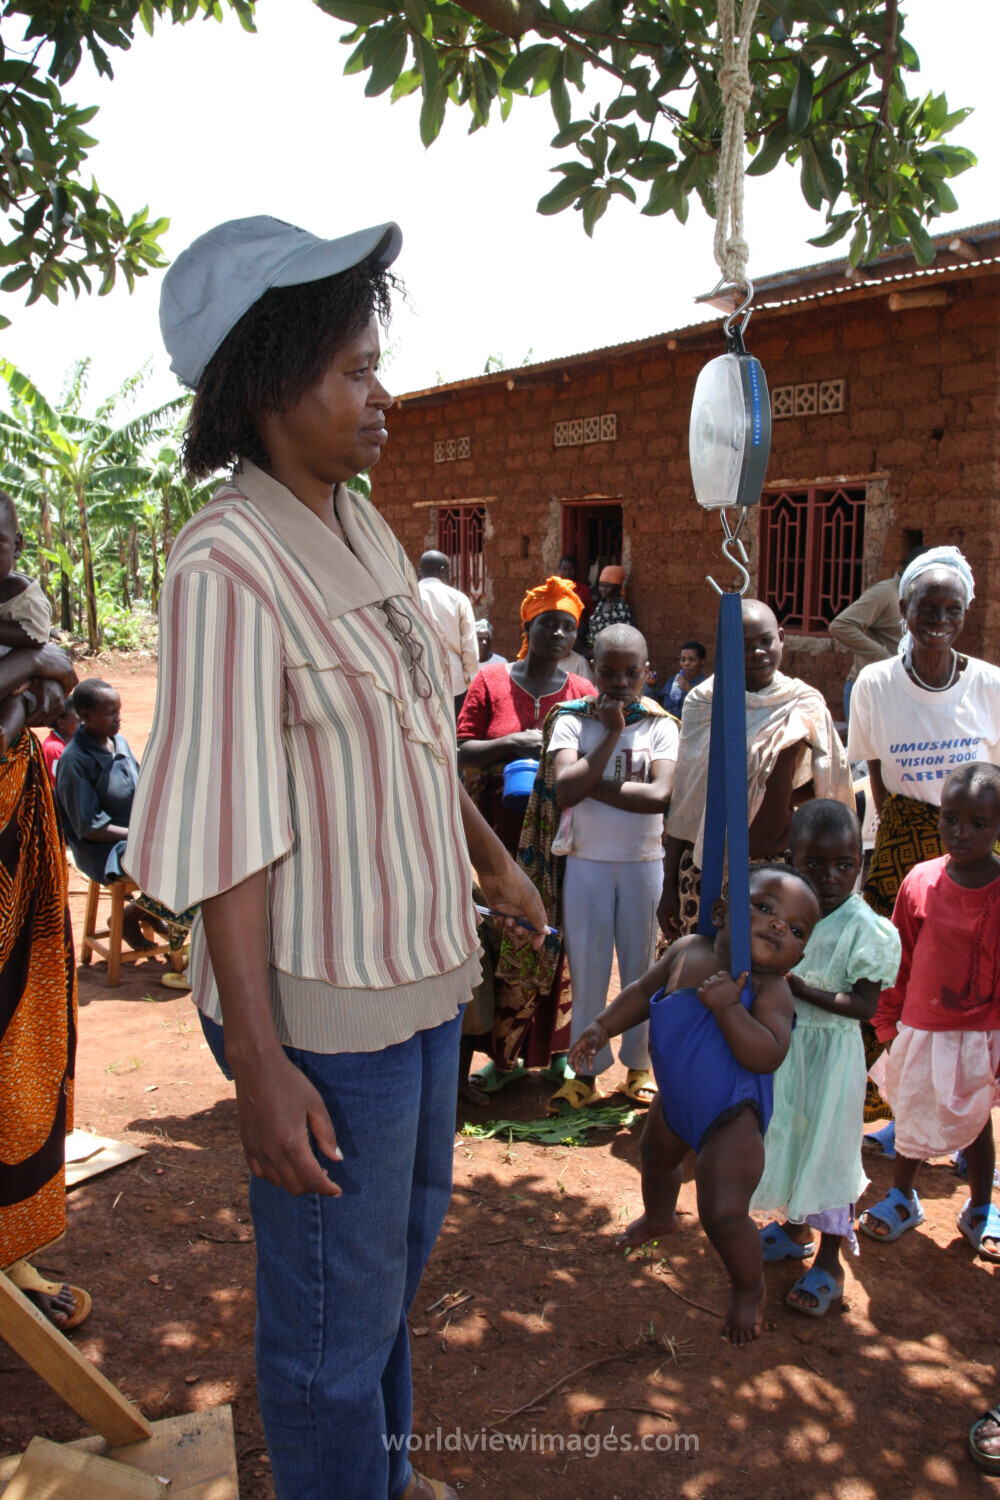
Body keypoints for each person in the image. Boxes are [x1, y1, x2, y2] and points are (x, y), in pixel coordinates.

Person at [125, 214, 546, 1500]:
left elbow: (415, 735)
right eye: (354, 370)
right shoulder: (227, 565)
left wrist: (490, 862)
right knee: (323, 1331)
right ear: (266, 385)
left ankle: (387, 1473)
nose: (383, 392)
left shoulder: (358, 525)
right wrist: (258, 1067)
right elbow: (227, 840)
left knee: (388, 1274)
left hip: (419, 980)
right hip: (322, 1019)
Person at [570, 864, 820, 1344]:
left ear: (797, 955)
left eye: (793, 929)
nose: (776, 926)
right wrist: (603, 1026)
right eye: (765, 908)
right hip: (676, 1100)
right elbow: (644, 992)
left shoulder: (771, 990)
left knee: (723, 1211)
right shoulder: (688, 951)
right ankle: (661, 1216)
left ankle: (749, 1288)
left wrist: (729, 1007)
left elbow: (768, 1055)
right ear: (723, 912)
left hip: (731, 1117)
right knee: (655, 1157)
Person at [848, 544, 1000, 1130]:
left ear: (965, 614)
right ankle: (897, 1111)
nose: (938, 618)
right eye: (926, 605)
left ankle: (967, 1120)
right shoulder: (876, 684)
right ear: (903, 606)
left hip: (977, 854)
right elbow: (877, 776)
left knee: (971, 981)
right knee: (896, 977)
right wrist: (899, 836)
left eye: (951, 607)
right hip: (903, 839)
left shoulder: (988, 684)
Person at [751, 801, 901, 1315]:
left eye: (844, 865)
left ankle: (831, 1262)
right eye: (814, 864)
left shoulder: (866, 928)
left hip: (833, 1057)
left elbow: (862, 1006)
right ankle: (794, 1231)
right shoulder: (786, 912)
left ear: (859, 862)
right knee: (788, 1134)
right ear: (792, 858)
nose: (830, 877)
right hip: (787, 1049)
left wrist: (796, 988)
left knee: (831, 1150)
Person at [456, 577, 592, 1093]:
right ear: (527, 627)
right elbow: (459, 749)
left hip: (562, 840)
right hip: (499, 837)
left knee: (557, 941)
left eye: (568, 626)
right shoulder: (490, 682)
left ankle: (555, 1055)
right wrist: (512, 744)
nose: (558, 633)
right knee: (505, 938)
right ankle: (504, 1059)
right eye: (548, 623)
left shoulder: (581, 692)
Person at [861, 764, 1000, 1258]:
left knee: (977, 1116)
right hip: (922, 1026)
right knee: (914, 1111)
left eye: (979, 824)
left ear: (998, 827)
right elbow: (900, 959)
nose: (962, 832)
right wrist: (887, 1021)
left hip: (981, 1032)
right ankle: (902, 1195)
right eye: (951, 819)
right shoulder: (920, 881)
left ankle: (981, 1205)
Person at [660, 599, 854, 942]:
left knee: (769, 976)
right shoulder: (705, 702)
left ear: (782, 638)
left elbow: (829, 782)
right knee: (699, 972)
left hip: (778, 866)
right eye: (744, 646)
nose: (758, 653)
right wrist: (668, 886)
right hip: (708, 865)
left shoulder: (802, 702)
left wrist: (776, 795)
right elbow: (686, 798)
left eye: (766, 641)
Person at [0, 584, 85, 1329]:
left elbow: (61, 698)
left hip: (19, 848)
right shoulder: (26, 639)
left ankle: (10, 1258)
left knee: (28, 1038)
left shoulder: (18, 612)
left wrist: (28, 693)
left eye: (12, 536)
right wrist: (30, 665)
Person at [549, 625, 678, 1111]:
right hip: (586, 863)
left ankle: (638, 1067)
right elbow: (563, 790)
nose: (620, 682)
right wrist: (613, 733)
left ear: (647, 672)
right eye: (608, 672)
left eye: (631, 673)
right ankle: (585, 1072)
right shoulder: (571, 720)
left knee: (642, 970)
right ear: (592, 671)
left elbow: (660, 797)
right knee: (587, 969)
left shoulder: (662, 724)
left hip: (644, 864)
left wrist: (586, 780)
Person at [55, 679, 184, 957]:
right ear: (86, 716)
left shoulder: (118, 742)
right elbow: (90, 828)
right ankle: (129, 917)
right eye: (109, 712)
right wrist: (140, 834)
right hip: (103, 849)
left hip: (135, 837)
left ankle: (145, 910)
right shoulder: (74, 760)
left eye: (119, 710)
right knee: (176, 861)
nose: (118, 718)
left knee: (191, 843)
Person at [828, 547, 927, 724]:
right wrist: (881, 655)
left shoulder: (919, 598)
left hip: (901, 689)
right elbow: (840, 625)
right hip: (870, 690)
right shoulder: (885, 593)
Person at [0, 491, 55, 755]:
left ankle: (2, 736)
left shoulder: (20, 591)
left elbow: (35, 636)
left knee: (16, 703)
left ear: (18, 545)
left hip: (14, 671)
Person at [417, 549, 478, 716]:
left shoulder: (410, 596)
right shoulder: (458, 598)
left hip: (417, 679)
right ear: (443, 571)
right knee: (452, 735)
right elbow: (469, 645)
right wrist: (471, 682)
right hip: (454, 680)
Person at [586, 564, 634, 653]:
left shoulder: (621, 609)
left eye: (607, 586)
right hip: (594, 651)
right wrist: (590, 648)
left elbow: (625, 639)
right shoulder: (601, 603)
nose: (602, 589)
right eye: (600, 585)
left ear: (617, 587)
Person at [662, 640, 707, 717]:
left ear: (702, 661)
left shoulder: (706, 686)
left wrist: (690, 690)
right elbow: (658, 702)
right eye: (683, 660)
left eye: (692, 659)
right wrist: (651, 686)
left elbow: (704, 711)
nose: (686, 663)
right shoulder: (673, 681)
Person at [42, 699, 80, 784]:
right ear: (61, 724)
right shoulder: (54, 748)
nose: (83, 725)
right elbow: (59, 785)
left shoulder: (68, 745)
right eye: (79, 721)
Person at [559, 553, 593, 639]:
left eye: (571, 569)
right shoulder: (555, 590)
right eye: (565, 569)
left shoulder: (584, 590)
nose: (568, 573)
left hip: (578, 629)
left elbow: (591, 614)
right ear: (560, 570)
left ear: (576, 570)